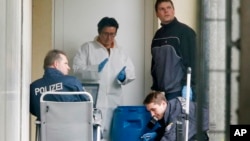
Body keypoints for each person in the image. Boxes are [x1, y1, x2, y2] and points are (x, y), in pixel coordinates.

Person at [72, 17, 136, 140]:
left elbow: (131, 72)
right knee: (91, 135)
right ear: (99, 32)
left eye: (112, 34)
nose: (109, 38)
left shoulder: (121, 52)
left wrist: (124, 77)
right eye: (105, 34)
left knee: (113, 134)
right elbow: (76, 69)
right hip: (94, 100)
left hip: (114, 100)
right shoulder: (87, 48)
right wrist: (95, 69)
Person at [151, 0, 196, 101]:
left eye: (168, 8)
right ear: (157, 14)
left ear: (173, 10)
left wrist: (189, 85)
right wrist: (156, 88)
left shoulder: (185, 32)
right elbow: (155, 64)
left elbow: (193, 61)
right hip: (161, 93)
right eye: (162, 9)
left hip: (179, 91)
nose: (166, 11)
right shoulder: (157, 35)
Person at [30, 49, 89, 120]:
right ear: (56, 64)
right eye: (66, 63)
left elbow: (34, 111)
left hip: (46, 130)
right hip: (73, 128)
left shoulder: (33, 87)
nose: (69, 68)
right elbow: (87, 103)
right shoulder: (72, 81)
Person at [141, 91, 209, 141]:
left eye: (153, 109)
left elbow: (171, 136)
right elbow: (169, 128)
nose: (152, 114)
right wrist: (157, 133)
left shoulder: (178, 115)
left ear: (163, 103)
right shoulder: (172, 105)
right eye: (150, 111)